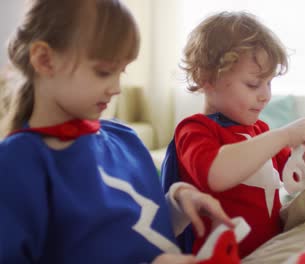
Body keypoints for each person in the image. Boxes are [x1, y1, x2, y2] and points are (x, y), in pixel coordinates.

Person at [0, 1, 233, 263]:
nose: (116, 88)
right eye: (104, 72)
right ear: (44, 60)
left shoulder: (125, 138)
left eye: (121, 72)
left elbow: (133, 229)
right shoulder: (17, 161)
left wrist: (177, 203)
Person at [171, 11, 305, 258]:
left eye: (269, 83)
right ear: (207, 79)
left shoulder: (260, 131)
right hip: (222, 256)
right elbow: (217, 174)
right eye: (252, 84)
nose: (266, 95)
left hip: (268, 249)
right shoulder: (195, 129)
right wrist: (284, 135)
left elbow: (291, 177)